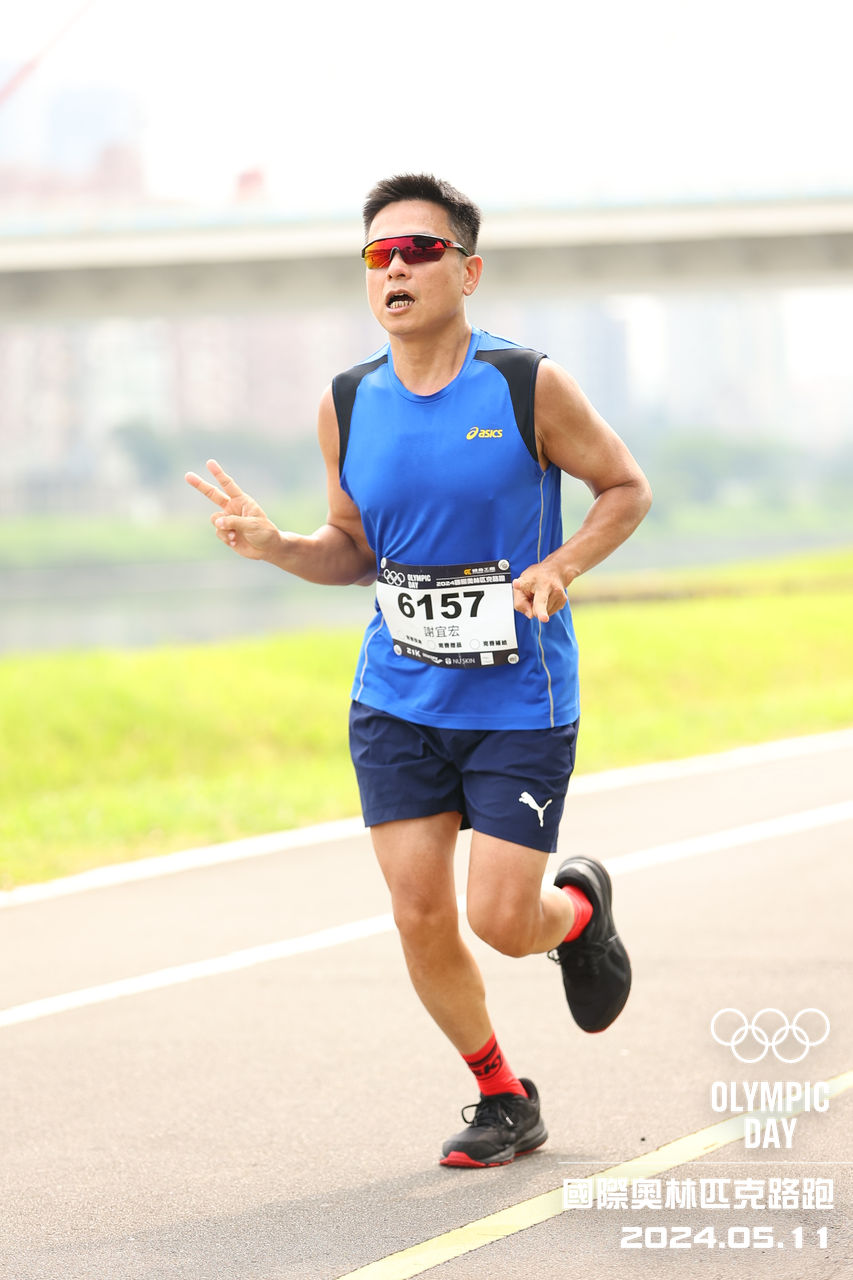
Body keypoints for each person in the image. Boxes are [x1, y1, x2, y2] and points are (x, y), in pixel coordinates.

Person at [186, 173, 652, 1168]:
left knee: (501, 920)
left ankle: (576, 914)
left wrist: (561, 566)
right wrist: (278, 546)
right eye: (378, 255)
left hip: (517, 697)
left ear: (467, 271)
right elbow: (352, 550)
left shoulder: (526, 383)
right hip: (396, 696)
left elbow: (624, 487)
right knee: (419, 911)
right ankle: (501, 1093)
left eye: (420, 251)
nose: (394, 268)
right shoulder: (347, 402)